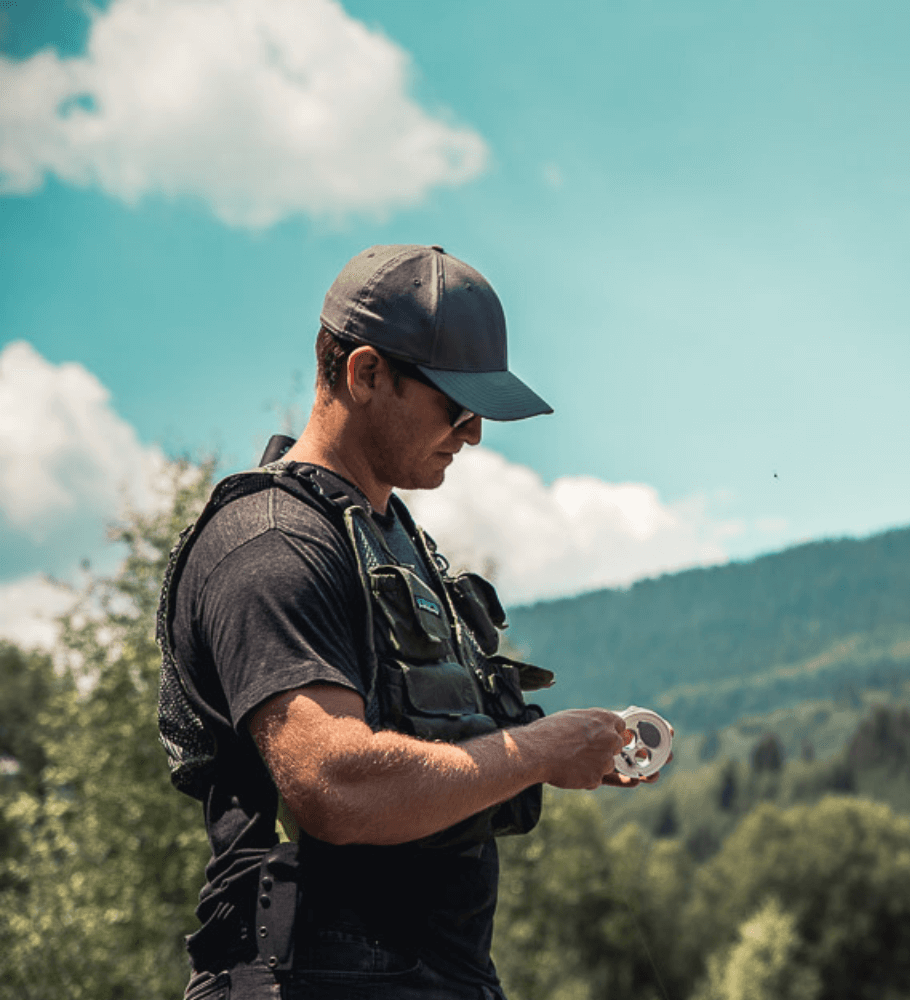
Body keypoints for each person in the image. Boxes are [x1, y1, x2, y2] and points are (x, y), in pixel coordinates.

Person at [157, 244, 660, 999]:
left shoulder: (391, 541)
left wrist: (559, 752)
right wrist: (538, 750)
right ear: (364, 374)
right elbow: (334, 783)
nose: (474, 432)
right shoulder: (271, 545)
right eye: (456, 404)